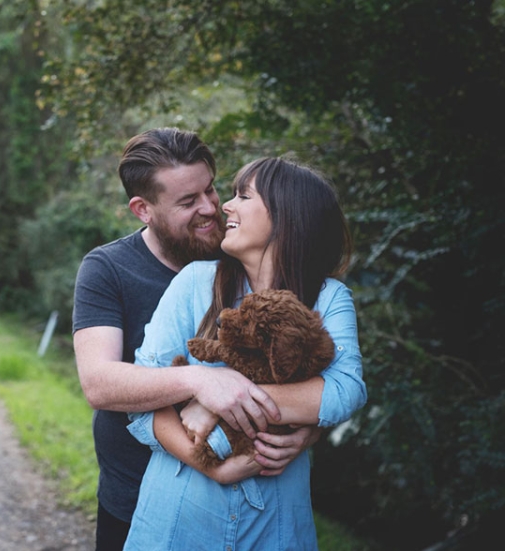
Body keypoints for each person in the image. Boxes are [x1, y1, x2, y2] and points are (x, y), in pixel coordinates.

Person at [72, 129, 322, 550]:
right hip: (133, 498)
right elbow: (99, 383)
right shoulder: (108, 269)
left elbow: (306, 364)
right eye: (188, 201)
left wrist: (308, 432)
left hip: (250, 506)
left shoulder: (244, 251)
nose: (210, 208)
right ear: (143, 209)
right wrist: (201, 381)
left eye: (210, 189)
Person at [122, 156, 368, 550]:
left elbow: (344, 392)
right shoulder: (194, 282)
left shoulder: (329, 298)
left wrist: (218, 402)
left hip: (275, 526)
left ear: (287, 216)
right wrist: (209, 464)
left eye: (244, 196)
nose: (226, 206)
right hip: (178, 519)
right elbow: (143, 398)